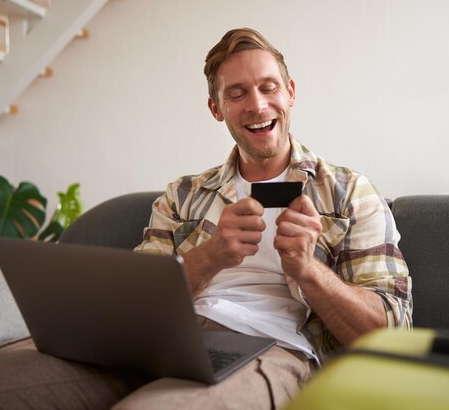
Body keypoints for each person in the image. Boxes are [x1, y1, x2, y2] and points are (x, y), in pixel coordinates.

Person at [115, 27, 412, 410]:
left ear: (290, 92)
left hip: (268, 346)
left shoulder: (349, 192)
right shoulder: (182, 196)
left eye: (268, 88)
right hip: (165, 343)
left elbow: (390, 333)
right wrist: (213, 254)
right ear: (216, 108)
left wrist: (307, 270)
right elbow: (131, 305)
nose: (256, 105)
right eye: (236, 94)